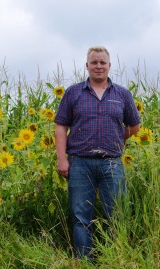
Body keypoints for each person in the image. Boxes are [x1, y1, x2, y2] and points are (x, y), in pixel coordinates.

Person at [54, 46, 141, 259]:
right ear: (87, 66)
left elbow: (134, 125)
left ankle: (115, 258)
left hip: (111, 163)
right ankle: (85, 261)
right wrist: (62, 159)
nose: (98, 66)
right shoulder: (73, 92)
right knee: (81, 217)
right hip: (79, 163)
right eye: (94, 62)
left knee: (117, 215)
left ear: (109, 66)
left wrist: (115, 138)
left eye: (103, 62)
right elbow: (60, 126)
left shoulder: (122, 94)